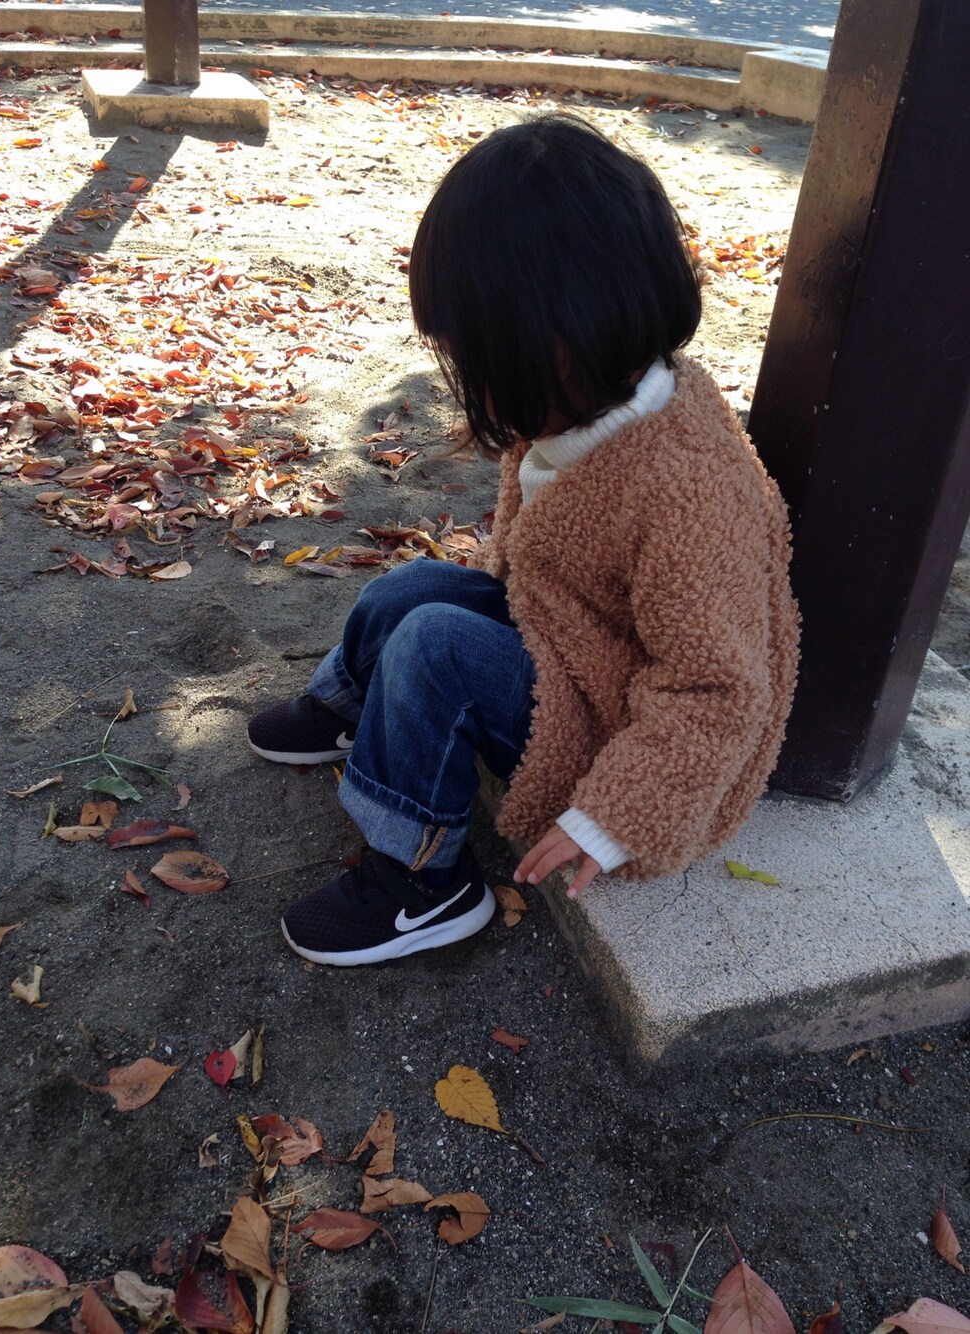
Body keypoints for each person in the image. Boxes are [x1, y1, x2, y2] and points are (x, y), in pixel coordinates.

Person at [247, 114, 799, 967]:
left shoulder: (686, 489)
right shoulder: (582, 399)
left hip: (624, 739)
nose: (470, 380)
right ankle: (351, 704)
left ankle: (421, 881)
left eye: (478, 358)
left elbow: (718, 692)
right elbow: (540, 550)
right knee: (410, 590)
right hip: (570, 642)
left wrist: (612, 818)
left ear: (563, 338)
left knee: (433, 648)